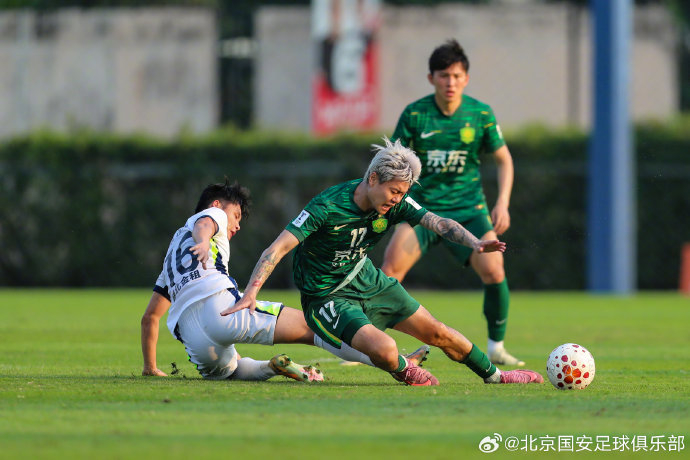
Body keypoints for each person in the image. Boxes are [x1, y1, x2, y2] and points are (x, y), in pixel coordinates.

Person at [221, 138, 542, 386]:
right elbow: (276, 249)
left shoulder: (396, 203)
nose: (397, 199)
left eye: (402, 193)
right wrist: (252, 292)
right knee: (386, 350)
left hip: (367, 279)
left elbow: (438, 223)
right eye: (394, 191)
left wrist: (475, 242)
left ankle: (496, 376)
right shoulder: (327, 206)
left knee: (437, 331)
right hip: (326, 296)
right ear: (373, 178)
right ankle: (404, 368)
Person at [140, 178, 425, 382]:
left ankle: (272, 367)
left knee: (232, 371)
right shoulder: (211, 215)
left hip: (192, 338)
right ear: (217, 205)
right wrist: (203, 241)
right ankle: (397, 363)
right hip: (221, 308)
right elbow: (205, 223)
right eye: (236, 215)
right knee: (316, 327)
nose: (236, 225)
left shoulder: (171, 257)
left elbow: (150, 317)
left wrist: (150, 367)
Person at [381, 39, 522, 366]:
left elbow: (504, 159)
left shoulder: (480, 114)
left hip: (469, 210)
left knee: (494, 270)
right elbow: (392, 161)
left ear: (466, 79)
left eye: (457, 76)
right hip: (422, 209)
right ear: (431, 78)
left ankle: (496, 346)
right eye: (444, 75)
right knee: (389, 271)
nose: (451, 82)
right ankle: (367, 342)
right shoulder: (415, 114)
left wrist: (502, 203)